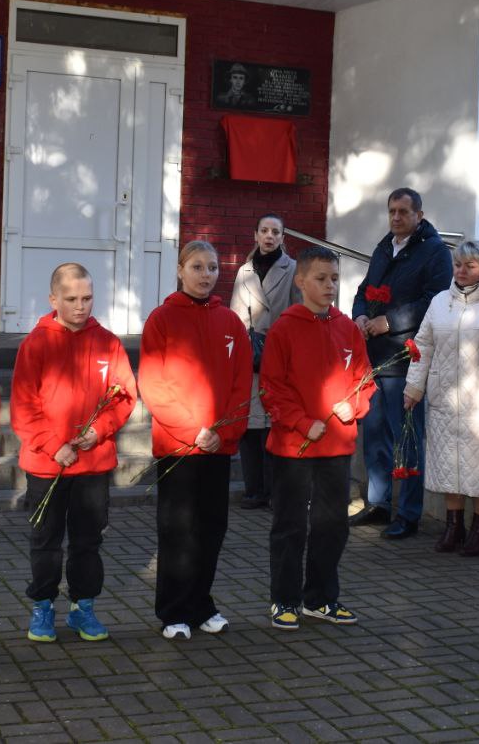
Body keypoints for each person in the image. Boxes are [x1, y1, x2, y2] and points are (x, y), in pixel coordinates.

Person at [11, 263, 137, 643]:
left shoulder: (108, 342)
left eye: (87, 298)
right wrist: (54, 446)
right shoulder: (36, 343)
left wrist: (99, 430)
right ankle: (43, 607)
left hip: (93, 465)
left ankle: (84, 608)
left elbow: (125, 396)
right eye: (71, 299)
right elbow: (23, 406)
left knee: (88, 540)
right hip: (47, 465)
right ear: (53, 299)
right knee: (46, 540)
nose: (81, 306)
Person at [139, 240, 251, 640]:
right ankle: (173, 611)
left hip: (218, 446)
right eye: (198, 267)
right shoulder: (162, 319)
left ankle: (201, 603)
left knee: (211, 527)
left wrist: (224, 431)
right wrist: (194, 431)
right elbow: (154, 384)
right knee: (178, 530)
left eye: (213, 268)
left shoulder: (231, 323)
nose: (206, 275)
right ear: (181, 270)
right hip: (179, 446)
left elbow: (241, 383)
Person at [260, 246, 373, 630]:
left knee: (332, 525)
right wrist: (300, 421)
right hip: (295, 445)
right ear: (301, 281)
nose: (330, 286)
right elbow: (272, 387)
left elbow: (364, 379)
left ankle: (321, 598)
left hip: (336, 445)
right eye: (321, 279)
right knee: (290, 525)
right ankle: (285, 599)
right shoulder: (284, 328)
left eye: (335, 279)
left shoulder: (346, 328)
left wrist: (354, 406)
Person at [350, 187, 453, 540]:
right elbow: (364, 290)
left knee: (405, 439)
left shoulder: (435, 253)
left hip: (405, 358)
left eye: (403, 212)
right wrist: (361, 316)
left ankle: (408, 514)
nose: (396, 217)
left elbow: (434, 302)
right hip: (373, 358)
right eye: (392, 211)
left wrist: (389, 322)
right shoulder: (383, 247)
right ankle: (378, 503)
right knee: (374, 435)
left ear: (419, 216)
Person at [403, 240, 479, 556]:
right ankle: (454, 526)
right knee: (448, 464)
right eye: (457, 265)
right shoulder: (441, 301)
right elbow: (422, 344)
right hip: (445, 398)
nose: (461, 271)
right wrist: (414, 387)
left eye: (470, 265)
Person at [229, 213, 299, 510]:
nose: (269, 236)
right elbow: (236, 315)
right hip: (252, 352)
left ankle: (273, 491)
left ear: (283, 237)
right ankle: (253, 489)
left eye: (276, 232)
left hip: (281, 352)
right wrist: (246, 348)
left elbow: (298, 312)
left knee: (275, 424)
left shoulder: (294, 269)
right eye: (264, 231)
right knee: (251, 424)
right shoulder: (244, 271)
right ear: (255, 235)